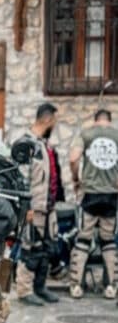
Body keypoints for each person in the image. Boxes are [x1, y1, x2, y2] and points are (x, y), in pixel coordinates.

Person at [14, 102, 64, 306]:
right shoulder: (26, 144)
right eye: (54, 121)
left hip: (48, 208)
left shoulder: (44, 145)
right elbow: (21, 179)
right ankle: (24, 290)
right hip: (33, 208)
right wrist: (26, 208)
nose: (55, 126)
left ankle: (40, 287)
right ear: (47, 119)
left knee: (47, 248)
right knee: (30, 248)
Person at [68, 109, 118, 300]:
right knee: (108, 241)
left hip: (90, 194)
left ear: (96, 120)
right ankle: (111, 286)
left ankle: (76, 285)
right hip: (111, 195)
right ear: (109, 120)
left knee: (83, 240)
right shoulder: (116, 135)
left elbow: (73, 158)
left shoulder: (86, 134)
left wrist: (76, 179)